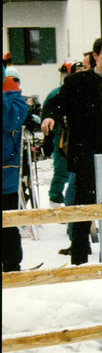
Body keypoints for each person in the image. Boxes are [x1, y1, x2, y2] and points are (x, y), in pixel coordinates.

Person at [41, 37, 102, 265]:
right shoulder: (78, 82)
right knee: (83, 211)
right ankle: (79, 260)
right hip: (86, 157)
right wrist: (49, 117)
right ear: (96, 56)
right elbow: (57, 104)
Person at [43, 61, 82, 205]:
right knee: (61, 171)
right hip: (61, 137)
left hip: (78, 138)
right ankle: (55, 199)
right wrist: (48, 138)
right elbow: (47, 114)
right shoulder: (56, 94)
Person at [3, 65, 28, 272]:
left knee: (8, 224)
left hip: (6, 173)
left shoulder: (14, 97)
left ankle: (11, 267)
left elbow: (9, 119)